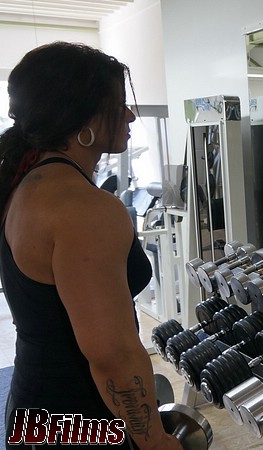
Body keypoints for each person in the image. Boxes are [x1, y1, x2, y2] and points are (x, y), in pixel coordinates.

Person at [0, 42, 182, 449]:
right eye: (119, 105)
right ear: (82, 119)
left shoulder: (25, 183)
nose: (130, 115)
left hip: (33, 411)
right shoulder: (83, 208)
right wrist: (154, 440)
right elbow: (112, 355)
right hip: (79, 420)